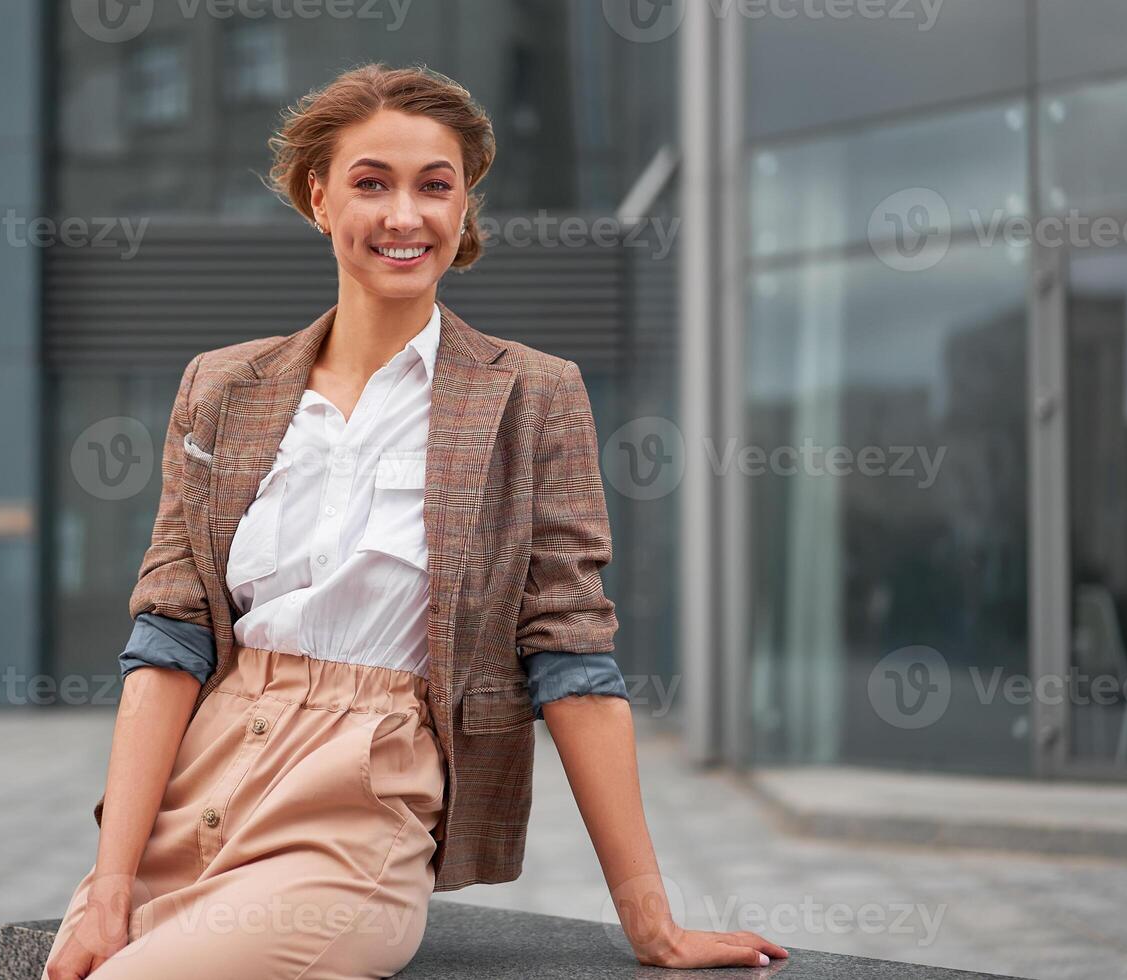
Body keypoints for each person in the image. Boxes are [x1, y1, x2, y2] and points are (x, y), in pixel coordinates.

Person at [44, 63, 789, 979]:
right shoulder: (223, 387)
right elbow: (168, 638)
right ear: (319, 199)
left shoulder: (531, 394)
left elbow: (572, 656)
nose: (406, 215)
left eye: (435, 186)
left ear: (464, 207)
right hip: (195, 788)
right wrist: (111, 879)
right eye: (372, 182)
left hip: (359, 805)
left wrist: (652, 924)